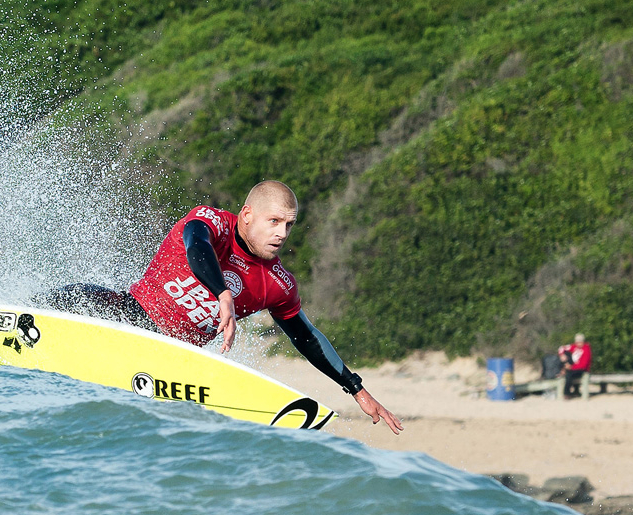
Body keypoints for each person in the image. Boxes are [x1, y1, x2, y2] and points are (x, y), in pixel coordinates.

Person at [36, 181, 402, 432]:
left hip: (175, 357)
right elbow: (196, 245)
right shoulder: (215, 224)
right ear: (247, 215)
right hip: (131, 314)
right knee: (79, 296)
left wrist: (355, 388)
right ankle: (19, 315)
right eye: (273, 221)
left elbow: (306, 337)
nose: (281, 233)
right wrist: (221, 292)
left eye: (288, 225)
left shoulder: (277, 284)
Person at [557, 334, 591, 398]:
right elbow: (561, 348)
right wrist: (561, 355)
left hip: (582, 369)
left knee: (569, 374)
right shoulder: (574, 346)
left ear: (583, 342)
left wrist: (571, 367)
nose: (578, 344)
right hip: (573, 366)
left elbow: (583, 365)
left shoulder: (586, 349)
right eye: (577, 342)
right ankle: (563, 370)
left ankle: (566, 393)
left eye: (580, 342)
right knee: (566, 354)